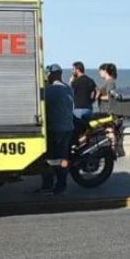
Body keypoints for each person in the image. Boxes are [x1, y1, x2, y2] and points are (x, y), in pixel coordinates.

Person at [40, 64, 74, 195]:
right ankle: (61, 184)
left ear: (52, 74)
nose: (47, 76)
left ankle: (48, 184)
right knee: (63, 157)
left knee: (49, 159)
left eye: (48, 74)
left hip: (54, 128)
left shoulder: (48, 91)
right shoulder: (68, 89)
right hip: (68, 128)